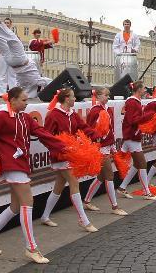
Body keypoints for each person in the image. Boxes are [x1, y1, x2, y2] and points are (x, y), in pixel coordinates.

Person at [0, 87, 66, 264]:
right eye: (23, 100)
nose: (26, 102)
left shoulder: (24, 117)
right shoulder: (1, 117)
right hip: (11, 165)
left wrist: (62, 146)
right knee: (27, 202)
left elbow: (41, 133)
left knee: (15, 207)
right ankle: (31, 248)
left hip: (21, 164)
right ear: (13, 100)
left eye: (26, 100)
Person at [40, 89, 99, 233]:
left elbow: (84, 127)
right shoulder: (53, 115)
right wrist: (58, 148)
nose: (75, 99)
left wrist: (96, 134)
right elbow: (45, 136)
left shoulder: (72, 114)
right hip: (60, 156)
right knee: (74, 182)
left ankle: (45, 216)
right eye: (73, 97)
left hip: (70, 154)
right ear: (66, 99)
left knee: (59, 186)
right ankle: (83, 220)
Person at [0, 7, 50, 98]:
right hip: (13, 61)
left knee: (11, 40)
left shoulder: (31, 81)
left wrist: (55, 85)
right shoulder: (27, 84)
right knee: (1, 40)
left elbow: (44, 82)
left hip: (19, 60)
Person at [82, 87, 129, 215]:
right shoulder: (95, 111)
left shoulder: (107, 110)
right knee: (109, 175)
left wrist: (112, 144)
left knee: (102, 176)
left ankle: (86, 201)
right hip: (100, 148)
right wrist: (97, 144)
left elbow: (110, 130)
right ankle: (115, 207)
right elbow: (90, 130)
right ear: (97, 97)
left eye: (109, 95)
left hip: (107, 146)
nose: (108, 97)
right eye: (105, 95)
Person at [116, 81, 156, 199]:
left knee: (137, 164)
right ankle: (146, 192)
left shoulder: (134, 101)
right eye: (144, 89)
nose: (145, 91)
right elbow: (132, 120)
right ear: (138, 90)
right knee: (142, 163)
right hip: (131, 137)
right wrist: (148, 116)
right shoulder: (132, 102)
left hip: (132, 136)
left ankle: (122, 188)